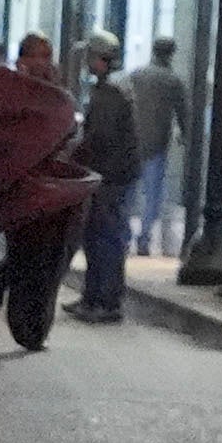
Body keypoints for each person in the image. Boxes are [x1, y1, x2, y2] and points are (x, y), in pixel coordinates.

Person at [67, 35, 149, 321]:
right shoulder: (115, 86)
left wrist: (81, 151)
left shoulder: (111, 91)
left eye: (90, 56)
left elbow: (101, 136)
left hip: (111, 176)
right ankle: (95, 297)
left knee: (104, 237)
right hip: (114, 173)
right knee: (100, 236)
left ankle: (104, 300)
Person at [122, 36, 190, 254]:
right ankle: (144, 238)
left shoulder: (136, 76)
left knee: (129, 192)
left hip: (132, 142)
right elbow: (183, 114)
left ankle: (124, 236)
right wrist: (186, 137)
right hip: (157, 143)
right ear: (171, 54)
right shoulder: (172, 81)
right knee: (153, 194)